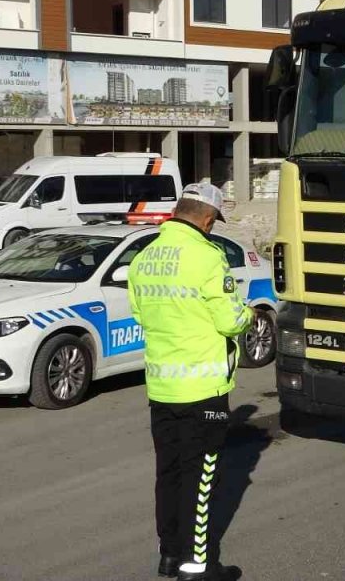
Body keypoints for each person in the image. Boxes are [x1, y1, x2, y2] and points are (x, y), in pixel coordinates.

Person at [129, 182, 253, 581]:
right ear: (206, 218)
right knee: (200, 479)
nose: (213, 227)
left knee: (168, 473)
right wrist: (248, 314)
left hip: (162, 388)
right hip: (203, 391)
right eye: (214, 221)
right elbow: (230, 320)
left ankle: (169, 555)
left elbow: (141, 315)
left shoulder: (144, 258)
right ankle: (197, 567)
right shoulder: (207, 257)